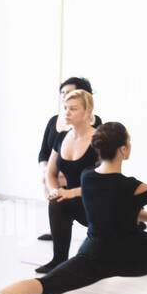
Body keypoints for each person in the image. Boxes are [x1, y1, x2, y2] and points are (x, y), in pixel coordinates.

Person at [0, 122, 147, 294]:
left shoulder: (87, 178)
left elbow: (120, 208)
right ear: (123, 149)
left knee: (42, 285)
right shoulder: (135, 187)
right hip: (133, 258)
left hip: (93, 256)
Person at [35, 89, 98, 273]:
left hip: (97, 204)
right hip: (74, 200)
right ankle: (59, 259)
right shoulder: (62, 137)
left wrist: (70, 192)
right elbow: (51, 172)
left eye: (73, 109)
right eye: (65, 108)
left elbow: (101, 181)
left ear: (88, 111)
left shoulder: (99, 139)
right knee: (57, 202)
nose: (67, 113)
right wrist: (55, 190)